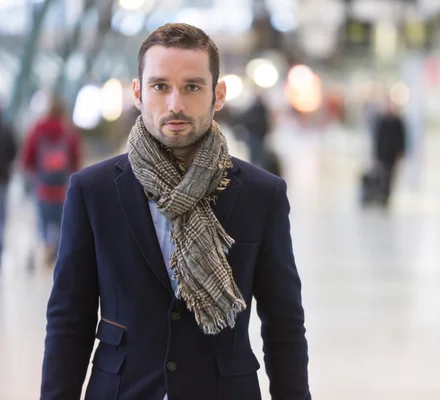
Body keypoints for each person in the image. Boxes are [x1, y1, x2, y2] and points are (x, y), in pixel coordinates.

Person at [41, 23, 310, 400]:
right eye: (160, 86)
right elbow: (69, 321)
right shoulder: (93, 191)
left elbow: (284, 325)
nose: (175, 105)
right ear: (138, 92)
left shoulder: (261, 194)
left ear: (218, 95)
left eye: (192, 87)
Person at [22, 97, 81, 263]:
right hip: (63, 187)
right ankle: (57, 251)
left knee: (43, 221)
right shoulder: (69, 132)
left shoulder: (37, 130)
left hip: (42, 187)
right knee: (63, 221)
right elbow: (76, 161)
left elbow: (27, 159)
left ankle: (46, 244)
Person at [373, 98, 407, 206]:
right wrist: (376, 153)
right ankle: (381, 194)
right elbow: (377, 138)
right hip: (383, 153)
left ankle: (387, 196)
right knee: (382, 174)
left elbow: (402, 138)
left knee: (390, 175)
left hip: (392, 154)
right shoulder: (381, 120)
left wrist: (401, 151)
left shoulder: (397, 121)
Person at [0, 108, 17, 265]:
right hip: (3, 178)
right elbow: (14, 152)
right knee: (1, 216)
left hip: (3, 178)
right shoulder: (6, 130)